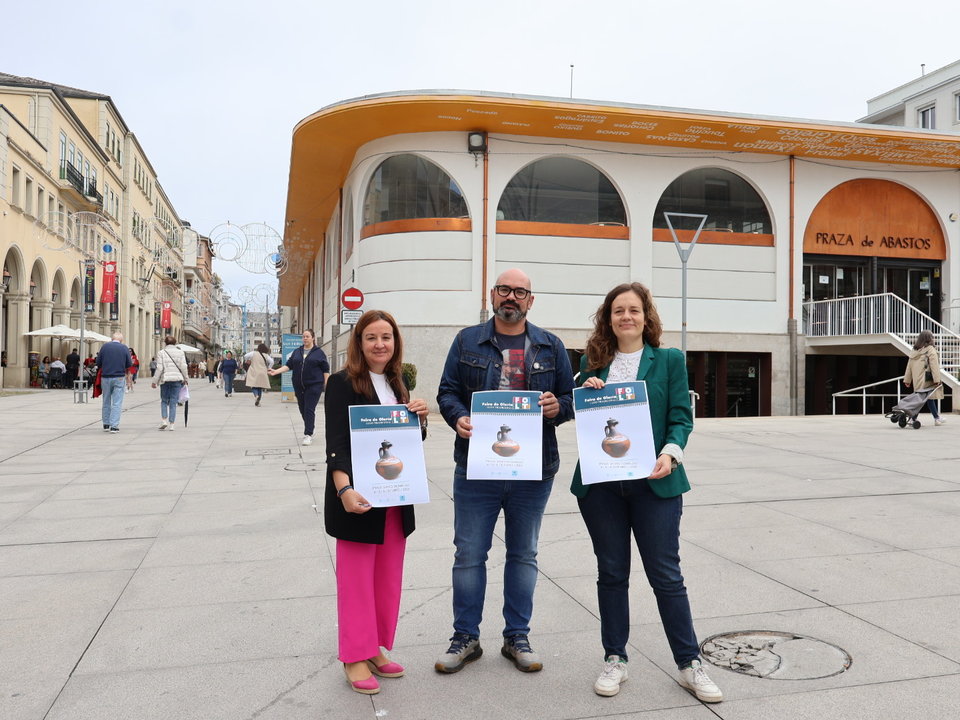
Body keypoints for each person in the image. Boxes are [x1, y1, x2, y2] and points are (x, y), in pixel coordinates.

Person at [571, 282, 722, 702]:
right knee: (612, 574)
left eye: (633, 310)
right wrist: (586, 390)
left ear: (646, 316)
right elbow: (585, 418)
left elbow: (680, 417)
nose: (626, 317)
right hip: (602, 487)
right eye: (618, 310)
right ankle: (615, 658)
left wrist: (671, 454)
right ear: (609, 318)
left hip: (654, 484)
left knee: (666, 576)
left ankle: (689, 662)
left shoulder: (670, 360)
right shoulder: (592, 362)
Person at [435, 268, 575, 674]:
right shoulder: (466, 340)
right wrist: (458, 416)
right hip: (477, 467)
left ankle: (517, 636)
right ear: (492, 295)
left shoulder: (551, 346)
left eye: (520, 292)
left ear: (531, 300)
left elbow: (569, 399)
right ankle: (466, 637)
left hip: (533, 470)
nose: (510, 297)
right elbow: (447, 390)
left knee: (524, 553)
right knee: (469, 553)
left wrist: (558, 408)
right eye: (504, 289)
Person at [323, 310, 428, 695]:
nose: (380, 344)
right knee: (356, 580)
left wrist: (420, 418)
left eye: (387, 337)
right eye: (371, 337)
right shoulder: (342, 383)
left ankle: (375, 648)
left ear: (395, 342)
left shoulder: (399, 383)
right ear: (359, 343)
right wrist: (344, 490)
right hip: (359, 496)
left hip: (395, 497)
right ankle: (354, 655)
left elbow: (405, 444)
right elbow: (336, 444)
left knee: (386, 579)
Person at [269, 329, 330, 445]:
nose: (305, 339)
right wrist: (276, 372)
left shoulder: (319, 353)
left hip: (314, 385)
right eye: (303, 337)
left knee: (309, 408)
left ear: (313, 338)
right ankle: (310, 427)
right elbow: (288, 366)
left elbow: (325, 370)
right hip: (298, 385)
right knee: (302, 408)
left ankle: (308, 434)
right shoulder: (297, 352)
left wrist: (327, 384)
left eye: (307, 336)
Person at [903, 329, 946, 426]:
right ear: (929, 339)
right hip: (927, 379)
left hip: (917, 380)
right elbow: (934, 366)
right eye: (932, 337)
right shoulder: (930, 350)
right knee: (926, 399)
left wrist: (907, 379)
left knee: (923, 399)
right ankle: (933, 419)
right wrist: (937, 380)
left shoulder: (914, 350)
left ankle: (935, 418)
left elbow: (909, 366)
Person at [95, 332, 132, 433]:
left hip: (106, 377)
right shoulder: (124, 348)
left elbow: (98, 362)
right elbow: (129, 363)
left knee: (106, 400)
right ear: (121, 340)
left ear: (112, 339)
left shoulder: (104, 347)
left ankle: (106, 424)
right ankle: (114, 426)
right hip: (119, 377)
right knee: (117, 402)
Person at [151, 336, 190, 431]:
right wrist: (186, 378)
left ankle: (164, 420)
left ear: (165, 343)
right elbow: (183, 367)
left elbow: (159, 368)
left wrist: (154, 381)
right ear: (175, 343)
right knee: (173, 402)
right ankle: (172, 424)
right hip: (177, 379)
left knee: (164, 400)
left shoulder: (161, 353)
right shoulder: (180, 352)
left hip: (165, 379)